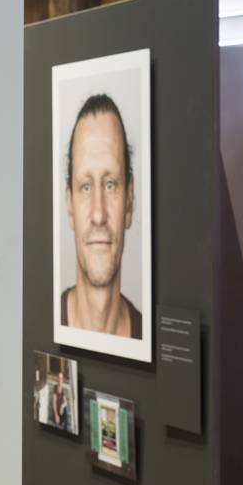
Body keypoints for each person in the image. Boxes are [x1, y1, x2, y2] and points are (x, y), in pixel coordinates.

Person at [60, 94, 142, 339]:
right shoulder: (40, 324)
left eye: (110, 185)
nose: (98, 214)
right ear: (70, 206)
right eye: (86, 186)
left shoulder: (150, 340)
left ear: (129, 201)